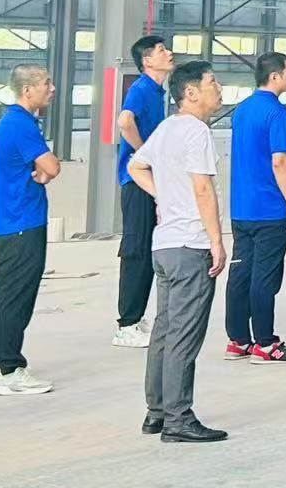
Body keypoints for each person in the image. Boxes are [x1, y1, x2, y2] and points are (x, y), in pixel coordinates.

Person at [128, 60, 229, 443]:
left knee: (165, 331)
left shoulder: (167, 128)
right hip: (190, 245)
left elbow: (137, 166)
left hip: (165, 246)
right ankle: (178, 419)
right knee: (184, 335)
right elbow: (202, 189)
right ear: (191, 92)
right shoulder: (196, 131)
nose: (219, 89)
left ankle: (156, 412)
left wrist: (164, 197)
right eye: (212, 82)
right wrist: (216, 240)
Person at [0, 63, 61, 396]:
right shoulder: (21, 124)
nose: (52, 88)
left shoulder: (12, 122)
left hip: (7, 223)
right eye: (46, 83)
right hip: (23, 222)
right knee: (16, 297)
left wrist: (43, 171)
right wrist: (46, 171)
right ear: (28, 90)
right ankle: (11, 369)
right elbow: (52, 166)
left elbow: (42, 168)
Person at [223, 52, 286, 364]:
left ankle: (238, 340)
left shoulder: (242, 110)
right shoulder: (276, 112)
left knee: (241, 272)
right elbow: (279, 161)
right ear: (274, 77)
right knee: (265, 277)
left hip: (241, 209)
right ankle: (266, 344)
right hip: (269, 210)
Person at [114, 34, 173, 348]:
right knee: (136, 250)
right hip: (136, 182)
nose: (169, 53)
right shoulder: (141, 88)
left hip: (148, 180)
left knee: (146, 249)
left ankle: (135, 318)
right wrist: (143, 153)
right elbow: (125, 122)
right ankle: (127, 324)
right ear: (147, 61)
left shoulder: (156, 91)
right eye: (162, 50)